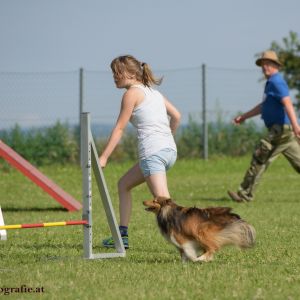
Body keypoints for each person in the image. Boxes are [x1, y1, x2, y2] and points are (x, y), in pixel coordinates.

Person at [99, 55, 181, 248]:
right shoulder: (154, 93)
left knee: (165, 206)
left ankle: (188, 241)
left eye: (117, 72)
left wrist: (104, 157)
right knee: (124, 184)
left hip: (153, 153)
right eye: (113, 72)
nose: (114, 76)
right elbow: (176, 116)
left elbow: (119, 128)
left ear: (131, 73)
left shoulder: (131, 94)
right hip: (168, 151)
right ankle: (122, 236)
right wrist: (168, 137)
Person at [228, 50, 300, 203]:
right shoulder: (270, 84)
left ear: (276, 65)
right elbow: (263, 106)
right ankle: (245, 193)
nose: (264, 67)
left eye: (268, 63)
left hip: (280, 130)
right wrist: (244, 117)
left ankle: (245, 194)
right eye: (262, 64)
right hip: (284, 131)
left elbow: (287, 103)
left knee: (260, 157)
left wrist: (296, 126)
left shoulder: (276, 81)